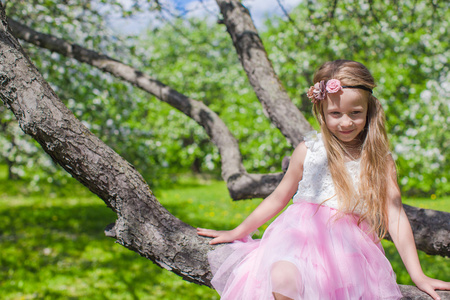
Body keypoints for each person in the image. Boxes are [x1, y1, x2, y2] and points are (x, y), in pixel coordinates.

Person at [197, 60, 450, 300]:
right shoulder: (309, 150)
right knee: (282, 279)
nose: (346, 122)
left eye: (355, 112)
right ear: (321, 110)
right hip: (297, 242)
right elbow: (278, 197)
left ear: (369, 109)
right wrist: (238, 231)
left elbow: (394, 215)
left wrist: (418, 275)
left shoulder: (379, 159)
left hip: (347, 254)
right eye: (336, 113)